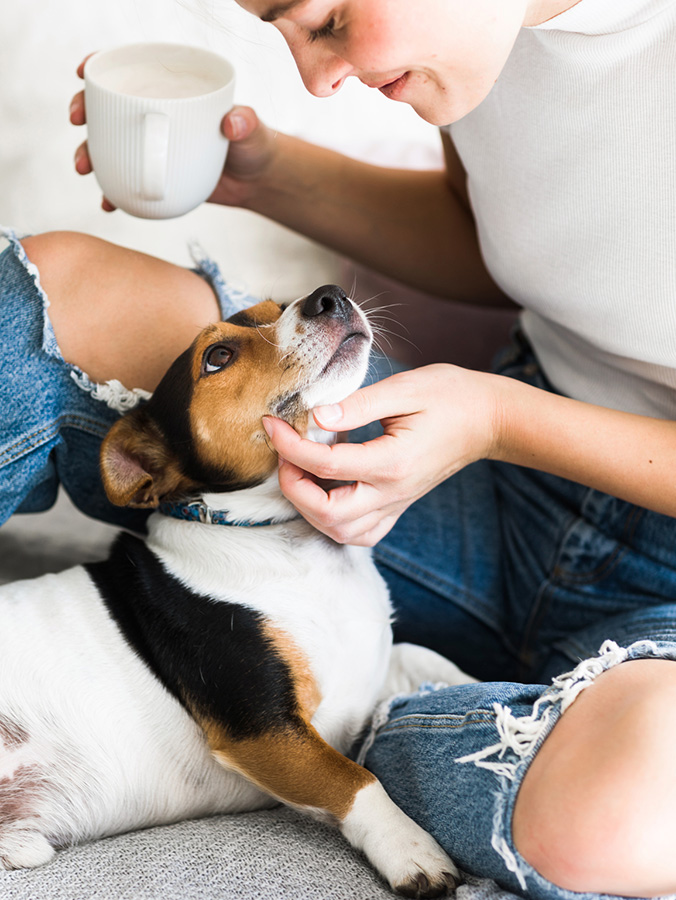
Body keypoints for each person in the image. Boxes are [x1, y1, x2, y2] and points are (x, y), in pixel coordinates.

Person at [32, 0, 676, 894]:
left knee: (638, 804)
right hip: (483, 491)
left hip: (629, 560)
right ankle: (318, 711)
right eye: (279, 27)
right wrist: (266, 177)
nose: (315, 75)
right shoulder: (488, 44)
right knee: (71, 290)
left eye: (326, 16)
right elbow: (495, 236)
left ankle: (337, 729)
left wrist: (498, 419)